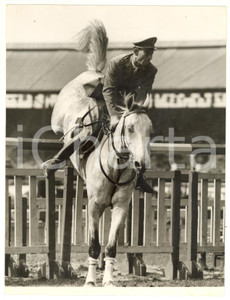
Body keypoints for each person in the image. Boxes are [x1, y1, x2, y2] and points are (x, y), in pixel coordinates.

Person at [42, 37, 158, 193]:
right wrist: (115, 116)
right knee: (90, 129)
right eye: (147, 53)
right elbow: (109, 90)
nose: (150, 57)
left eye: (151, 53)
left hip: (128, 103)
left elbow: (143, 93)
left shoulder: (151, 70)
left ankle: (139, 177)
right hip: (104, 98)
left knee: (137, 135)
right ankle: (55, 162)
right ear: (136, 52)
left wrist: (135, 111)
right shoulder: (117, 63)